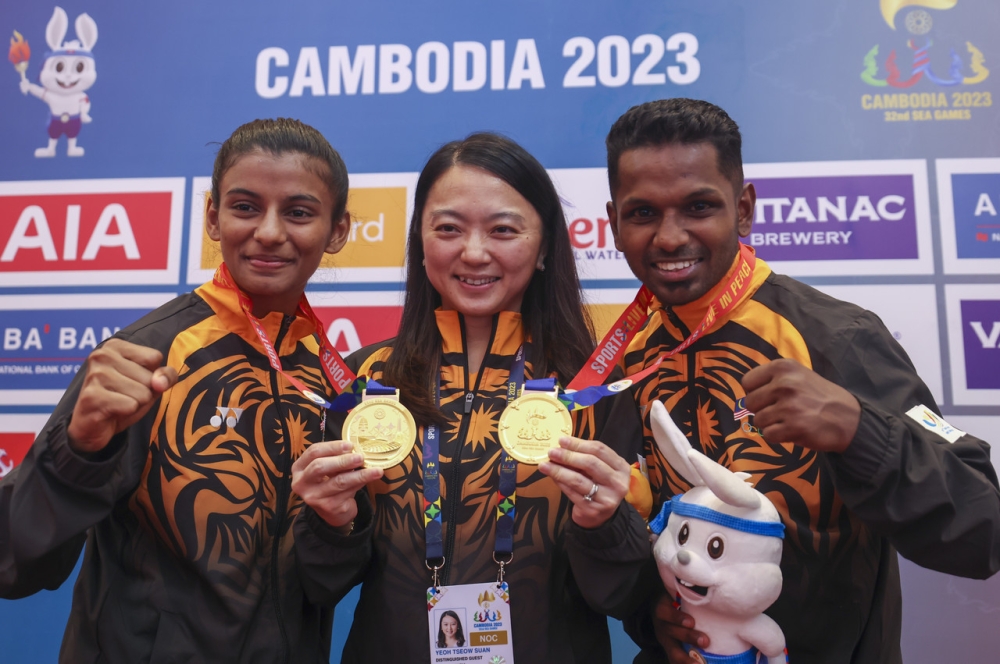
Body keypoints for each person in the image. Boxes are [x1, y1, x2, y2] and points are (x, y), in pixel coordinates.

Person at [600, 99, 1000, 663]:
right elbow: (628, 534)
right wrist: (652, 612)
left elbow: (983, 527)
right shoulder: (624, 364)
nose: (668, 237)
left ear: (743, 210)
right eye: (643, 213)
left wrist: (861, 433)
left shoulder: (839, 337)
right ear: (614, 222)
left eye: (698, 206)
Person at [0, 118, 353, 662]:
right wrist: (80, 450)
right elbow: (17, 563)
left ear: (337, 232)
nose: (269, 231)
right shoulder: (144, 356)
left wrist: (338, 528)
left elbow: (321, 586)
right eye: (245, 207)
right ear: (213, 217)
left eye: (299, 212)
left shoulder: (334, 382)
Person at [291, 132, 650, 663]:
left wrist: (605, 525)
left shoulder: (596, 392)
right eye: (448, 228)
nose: (474, 252)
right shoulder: (368, 384)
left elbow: (624, 597)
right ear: (420, 240)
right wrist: (333, 523)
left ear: (546, 244)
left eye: (503, 229)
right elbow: (320, 586)